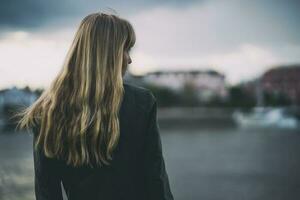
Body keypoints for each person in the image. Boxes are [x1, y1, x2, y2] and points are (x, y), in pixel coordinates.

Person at [15, 12, 174, 200]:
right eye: (126, 50)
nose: (129, 59)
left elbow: (47, 192)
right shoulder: (142, 103)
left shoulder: (47, 111)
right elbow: (156, 182)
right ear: (109, 54)